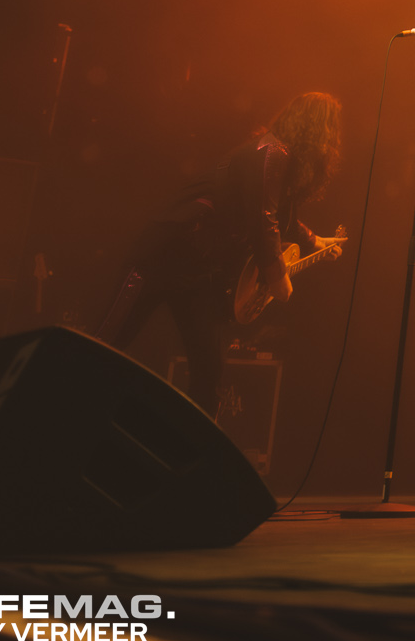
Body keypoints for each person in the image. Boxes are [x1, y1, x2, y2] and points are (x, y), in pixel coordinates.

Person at [103, 92, 343, 415]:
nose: (332, 141)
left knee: (209, 371)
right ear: (316, 129)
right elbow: (264, 220)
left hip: (199, 274)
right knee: (104, 345)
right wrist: (277, 276)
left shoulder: (277, 158)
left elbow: (281, 215)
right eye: (330, 130)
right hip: (162, 258)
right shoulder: (271, 153)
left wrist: (316, 242)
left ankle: (191, 455)